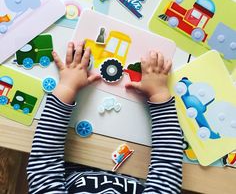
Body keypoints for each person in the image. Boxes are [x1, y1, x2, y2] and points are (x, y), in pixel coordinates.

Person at [27, 41, 183, 193]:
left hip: (74, 161)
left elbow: (43, 168)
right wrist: (159, 94)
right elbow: (167, 173)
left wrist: (66, 87)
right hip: (133, 166)